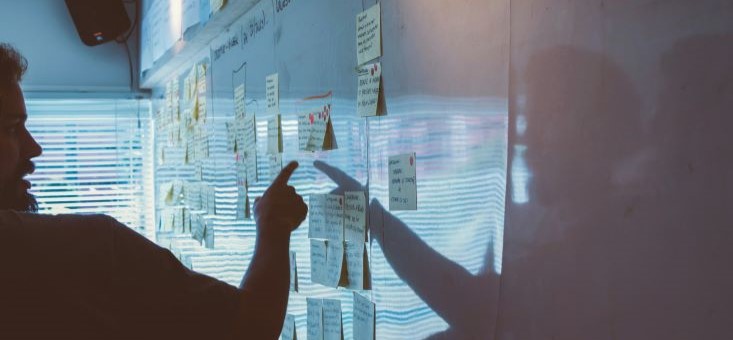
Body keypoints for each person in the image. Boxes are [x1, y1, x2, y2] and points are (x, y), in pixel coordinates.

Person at [0, 43, 308, 339]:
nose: (34, 147)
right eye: (12, 128)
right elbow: (252, 326)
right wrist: (273, 226)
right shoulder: (88, 248)